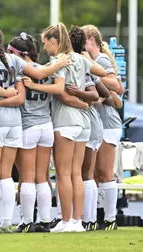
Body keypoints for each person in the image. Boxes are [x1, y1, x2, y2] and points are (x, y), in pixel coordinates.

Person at [0, 25, 70, 233]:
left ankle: (10, 221)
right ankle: (40, 219)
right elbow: (40, 73)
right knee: (36, 176)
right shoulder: (17, 63)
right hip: (32, 124)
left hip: (13, 124)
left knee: (4, 175)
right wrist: (59, 63)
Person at [38, 23, 105, 233]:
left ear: (53, 41)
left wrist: (35, 86)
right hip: (84, 123)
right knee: (77, 173)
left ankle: (66, 220)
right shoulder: (81, 58)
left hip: (65, 120)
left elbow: (61, 93)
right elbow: (102, 71)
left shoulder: (58, 61)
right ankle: (77, 221)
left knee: (63, 173)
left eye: (45, 43)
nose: (44, 48)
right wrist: (84, 98)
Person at [7, 32, 64, 233]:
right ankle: (46, 220)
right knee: (42, 177)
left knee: (27, 177)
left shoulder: (19, 70)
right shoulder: (46, 69)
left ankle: (27, 221)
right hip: (46, 125)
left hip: (28, 125)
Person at [81, 24, 124, 231]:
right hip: (98, 122)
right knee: (95, 173)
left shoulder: (100, 60)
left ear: (91, 40)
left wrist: (95, 75)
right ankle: (99, 215)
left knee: (105, 172)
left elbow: (115, 85)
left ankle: (110, 218)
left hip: (107, 122)